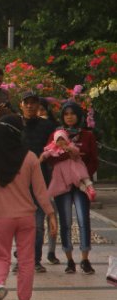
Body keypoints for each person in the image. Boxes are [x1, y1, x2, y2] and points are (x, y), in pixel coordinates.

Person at [0, 115, 57, 300]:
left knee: (0, 256)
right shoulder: (30, 157)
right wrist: (50, 214)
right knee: (26, 260)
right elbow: (40, 191)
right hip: (26, 216)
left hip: (2, 216)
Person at [44, 102, 98, 274]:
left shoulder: (87, 136)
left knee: (84, 220)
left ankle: (85, 258)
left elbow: (93, 159)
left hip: (81, 184)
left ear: (78, 115)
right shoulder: (56, 135)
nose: (69, 116)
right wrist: (66, 154)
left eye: (72, 113)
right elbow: (50, 158)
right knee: (65, 222)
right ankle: (69, 260)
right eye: (66, 114)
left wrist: (82, 176)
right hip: (63, 184)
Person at [20, 91, 58, 273]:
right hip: (18, 182)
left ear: (38, 105)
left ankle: (35, 259)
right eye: (26, 103)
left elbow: (57, 144)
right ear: (21, 105)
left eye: (33, 103)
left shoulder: (48, 126)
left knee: (37, 224)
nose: (29, 106)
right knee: (18, 223)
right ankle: (22, 257)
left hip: (41, 180)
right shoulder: (15, 125)